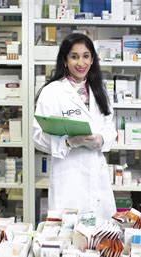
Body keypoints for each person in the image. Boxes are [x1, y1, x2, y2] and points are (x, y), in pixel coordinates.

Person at [32, 33, 117, 220]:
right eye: (74, 56)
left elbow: (110, 128)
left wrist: (101, 140)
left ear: (92, 59)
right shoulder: (52, 92)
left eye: (86, 56)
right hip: (68, 179)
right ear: (65, 60)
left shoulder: (99, 90)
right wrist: (68, 143)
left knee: (101, 239)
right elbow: (37, 136)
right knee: (68, 238)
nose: (81, 62)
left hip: (97, 178)